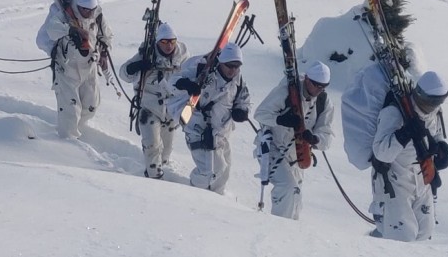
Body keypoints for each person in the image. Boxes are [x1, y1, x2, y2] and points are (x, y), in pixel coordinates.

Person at [370, 71, 448, 242]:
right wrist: (404, 133)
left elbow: (435, 134)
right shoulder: (395, 111)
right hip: (395, 182)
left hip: (423, 180)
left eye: (439, 101)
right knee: (402, 238)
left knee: (425, 233)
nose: (435, 105)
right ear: (421, 96)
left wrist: (441, 147)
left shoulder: (434, 112)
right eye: (432, 101)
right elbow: (381, 152)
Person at [254, 61, 334, 220]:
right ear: (308, 80)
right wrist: (281, 120)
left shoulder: (323, 102)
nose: (319, 90)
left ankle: (290, 234)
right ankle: (277, 227)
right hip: (273, 148)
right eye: (316, 85)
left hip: (297, 155)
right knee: (287, 188)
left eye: (323, 87)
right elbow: (260, 114)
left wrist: (315, 139)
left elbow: (327, 134)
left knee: (296, 197)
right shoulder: (286, 92)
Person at [169, 42, 251, 194]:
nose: (233, 70)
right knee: (207, 172)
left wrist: (241, 110)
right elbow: (172, 82)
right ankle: (195, 195)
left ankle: (215, 202)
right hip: (198, 129)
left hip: (222, 132)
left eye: (236, 66)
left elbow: (243, 97)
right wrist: (185, 84)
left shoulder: (237, 78)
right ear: (221, 62)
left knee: (224, 172)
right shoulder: (202, 69)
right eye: (229, 65)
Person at [36, 0, 113, 139]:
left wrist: (104, 52)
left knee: (91, 106)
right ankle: (68, 143)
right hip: (66, 68)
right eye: (85, 10)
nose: (89, 13)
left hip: (89, 66)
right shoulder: (64, 15)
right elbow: (51, 30)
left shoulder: (97, 16)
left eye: (92, 9)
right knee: (70, 110)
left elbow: (106, 36)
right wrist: (71, 30)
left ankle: (77, 131)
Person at [119, 22, 190, 179]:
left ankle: (160, 170)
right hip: (149, 107)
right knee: (152, 146)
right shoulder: (146, 54)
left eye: (172, 41)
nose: (168, 45)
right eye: (164, 42)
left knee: (165, 150)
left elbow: (192, 74)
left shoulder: (183, 56)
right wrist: (136, 67)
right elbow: (124, 73)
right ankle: (153, 178)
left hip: (172, 109)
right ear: (157, 42)